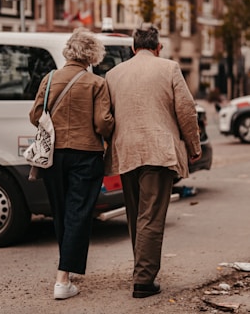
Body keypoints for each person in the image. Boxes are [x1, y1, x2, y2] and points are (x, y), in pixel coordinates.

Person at [105, 24, 201, 299]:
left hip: (126, 152)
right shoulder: (169, 68)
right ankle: (144, 280)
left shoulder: (113, 74)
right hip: (158, 152)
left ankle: (140, 270)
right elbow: (186, 110)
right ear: (158, 47)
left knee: (136, 215)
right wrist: (193, 146)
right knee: (152, 216)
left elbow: (106, 116)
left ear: (132, 48)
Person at [29, 27, 114, 300]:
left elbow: (34, 115)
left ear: (69, 51)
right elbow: (103, 124)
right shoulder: (96, 84)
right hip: (85, 154)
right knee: (78, 212)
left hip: (53, 156)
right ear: (92, 55)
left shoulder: (49, 78)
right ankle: (63, 278)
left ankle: (65, 271)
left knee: (62, 210)